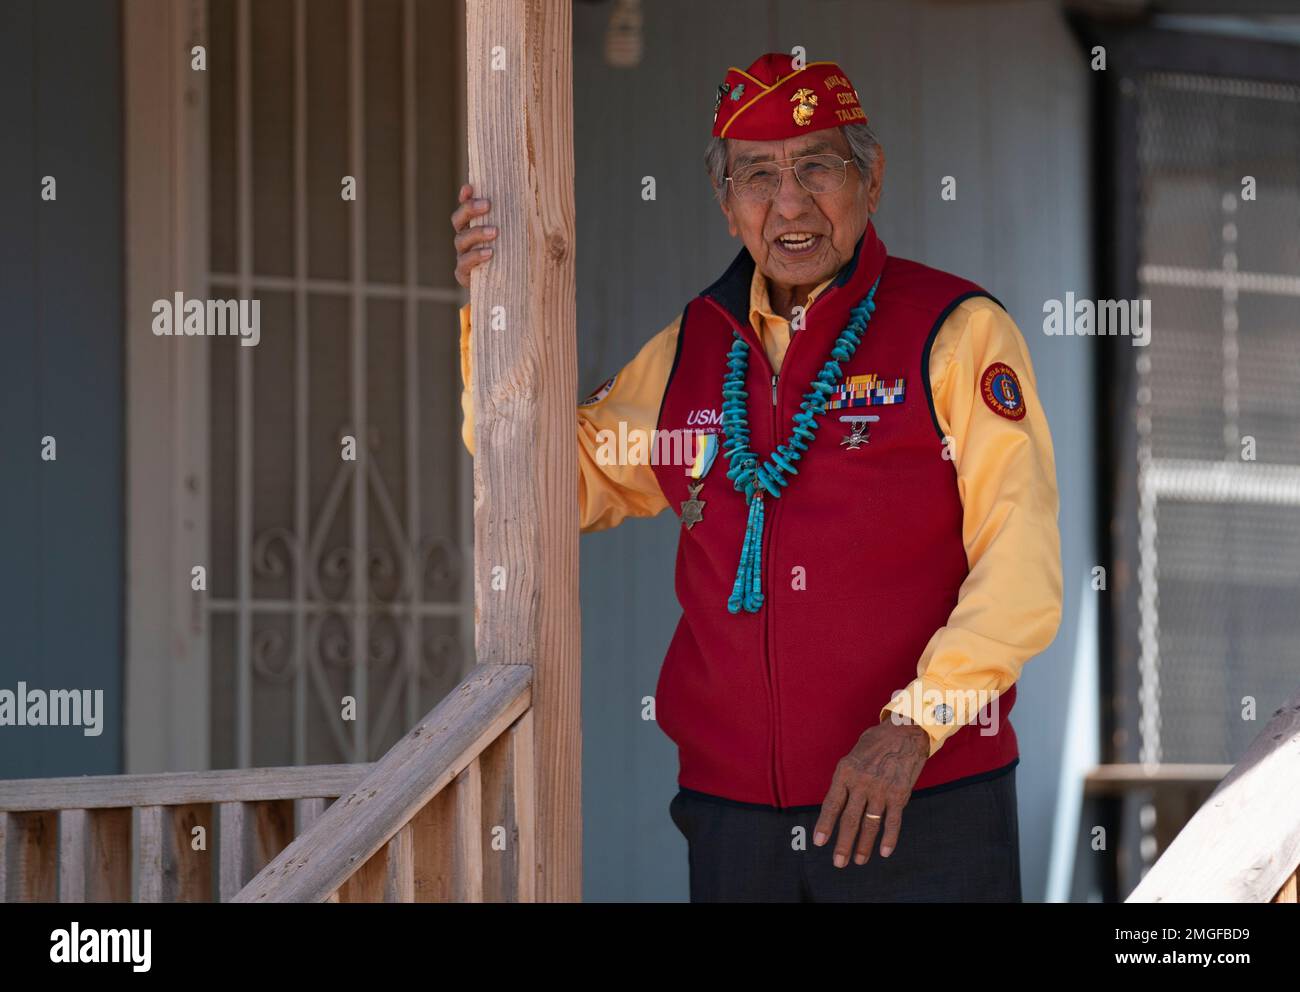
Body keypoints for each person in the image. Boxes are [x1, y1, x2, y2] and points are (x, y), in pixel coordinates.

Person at [450, 52, 1062, 902]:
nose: (789, 203)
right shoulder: (691, 346)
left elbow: (1021, 562)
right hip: (733, 820)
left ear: (871, 179)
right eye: (757, 177)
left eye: (818, 166)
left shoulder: (954, 331)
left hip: (918, 798)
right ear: (725, 202)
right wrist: (495, 301)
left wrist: (916, 725)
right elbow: (554, 485)